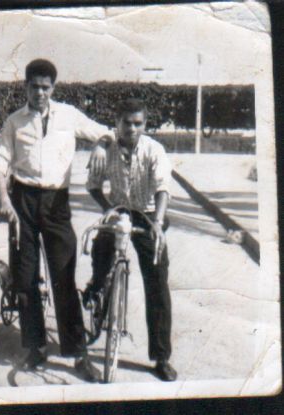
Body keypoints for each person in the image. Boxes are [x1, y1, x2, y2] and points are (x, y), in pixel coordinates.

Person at [0, 58, 112, 382]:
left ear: (53, 88)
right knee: (26, 280)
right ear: (25, 86)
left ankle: (78, 354)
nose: (40, 92)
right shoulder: (14, 121)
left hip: (57, 203)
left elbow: (105, 134)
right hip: (23, 203)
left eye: (46, 87)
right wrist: (4, 199)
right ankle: (35, 349)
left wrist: (100, 146)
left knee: (63, 278)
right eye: (34, 86)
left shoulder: (69, 116)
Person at [83, 98, 177, 382]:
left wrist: (158, 224)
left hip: (148, 214)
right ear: (117, 123)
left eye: (138, 123)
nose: (132, 129)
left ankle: (160, 357)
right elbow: (92, 185)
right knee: (101, 252)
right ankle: (96, 289)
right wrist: (107, 208)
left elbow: (163, 188)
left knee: (157, 282)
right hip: (119, 210)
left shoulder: (154, 150)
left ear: (145, 125)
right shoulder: (106, 148)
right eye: (127, 123)